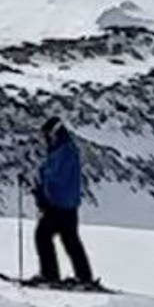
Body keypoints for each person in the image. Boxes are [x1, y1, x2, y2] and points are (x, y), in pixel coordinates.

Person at [30, 122, 100, 291]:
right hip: (67, 204)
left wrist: (41, 189)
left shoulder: (64, 152)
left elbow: (55, 176)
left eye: (45, 135)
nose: (44, 139)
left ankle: (50, 275)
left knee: (43, 236)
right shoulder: (64, 149)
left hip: (59, 204)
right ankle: (84, 277)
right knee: (70, 240)